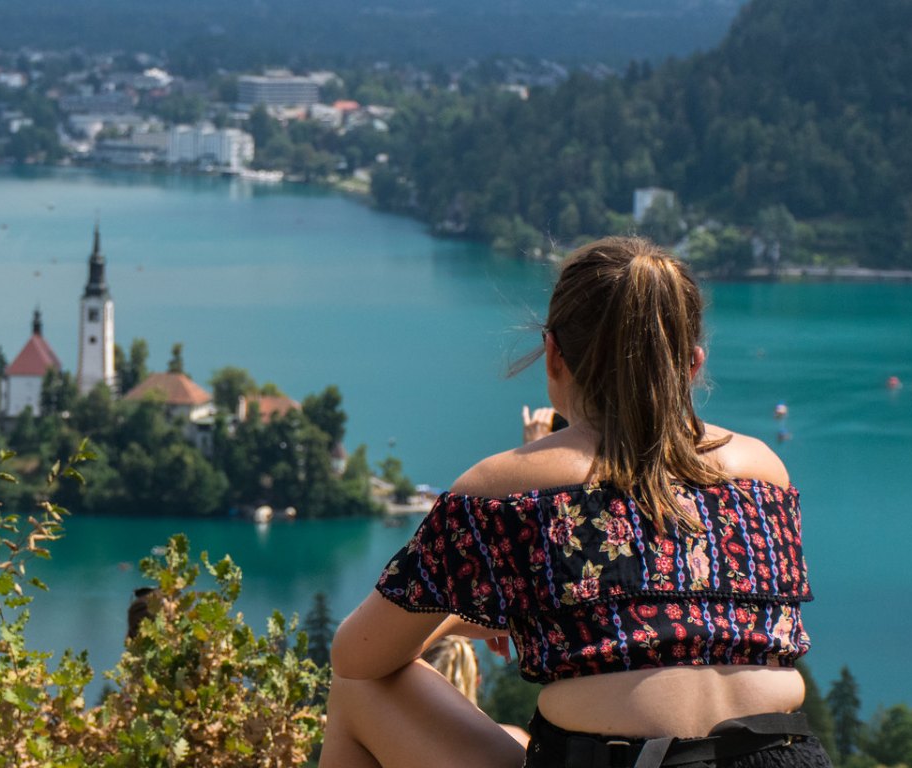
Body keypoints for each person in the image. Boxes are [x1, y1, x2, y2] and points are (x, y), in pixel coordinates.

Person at [321, 237, 827, 768]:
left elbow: (357, 656)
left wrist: (479, 614)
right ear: (693, 365)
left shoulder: (504, 489)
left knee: (358, 690)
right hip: (787, 755)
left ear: (554, 353)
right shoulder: (765, 471)